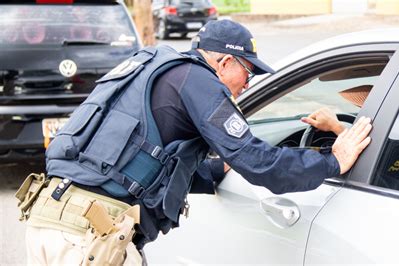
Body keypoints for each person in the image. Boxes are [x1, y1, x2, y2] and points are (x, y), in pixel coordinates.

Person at [17, 20, 372, 265]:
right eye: (248, 72)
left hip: (53, 218)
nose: (247, 84)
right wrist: (333, 161)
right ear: (225, 61)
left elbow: (145, 160)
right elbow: (259, 163)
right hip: (89, 235)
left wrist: (216, 169)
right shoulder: (200, 81)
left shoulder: (158, 70)